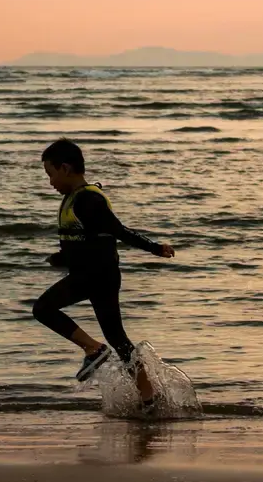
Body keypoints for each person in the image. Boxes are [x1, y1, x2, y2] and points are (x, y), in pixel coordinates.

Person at [32, 138, 174, 408]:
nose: (50, 181)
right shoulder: (74, 198)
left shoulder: (88, 199)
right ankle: (150, 398)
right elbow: (89, 239)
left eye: (50, 174)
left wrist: (155, 248)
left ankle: (94, 350)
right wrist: (62, 257)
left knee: (43, 309)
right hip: (100, 274)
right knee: (118, 338)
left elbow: (118, 231)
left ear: (65, 168)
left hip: (94, 274)